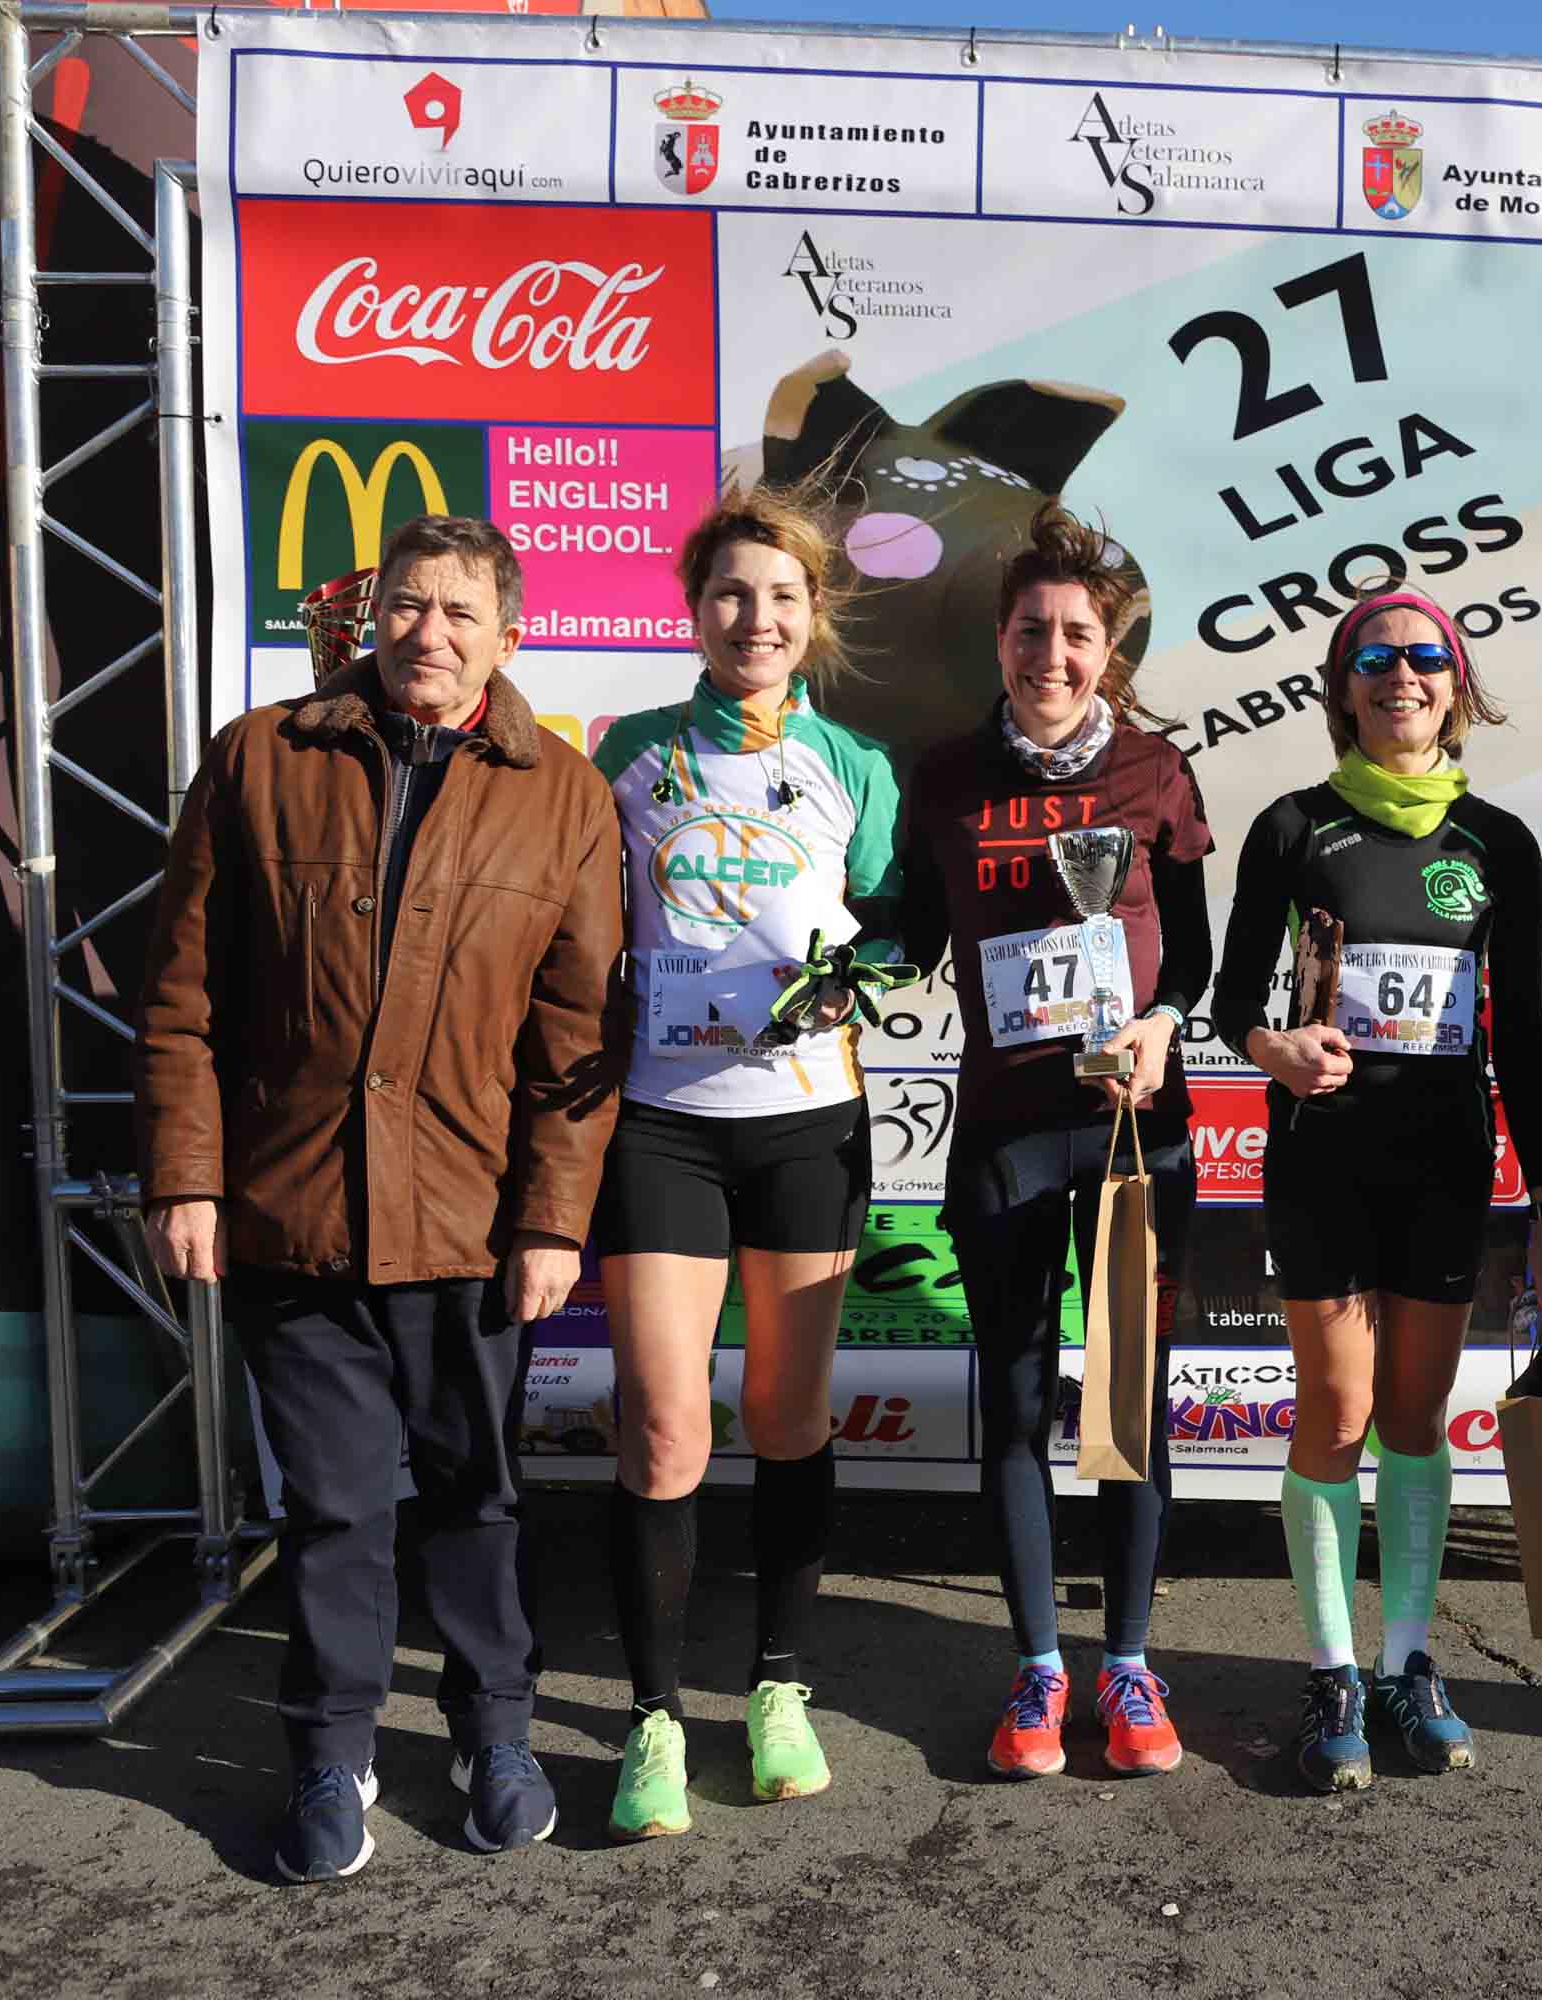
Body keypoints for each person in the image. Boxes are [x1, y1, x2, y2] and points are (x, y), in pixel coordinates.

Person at [135, 514, 621, 1882]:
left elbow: (576, 1046)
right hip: (292, 1210)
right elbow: (180, 1000)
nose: (430, 633)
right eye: (409, 605)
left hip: (471, 1221)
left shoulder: (564, 798)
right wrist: (186, 1175)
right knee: (337, 1508)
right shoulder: (260, 757)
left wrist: (550, 1220)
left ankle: (494, 1731)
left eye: (462, 613)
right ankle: (330, 1750)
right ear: (369, 614)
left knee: (477, 1496)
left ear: (508, 639)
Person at [1212, 584, 1542, 1793]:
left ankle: (1407, 1661)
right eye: (1375, 658)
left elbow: (1519, 1035)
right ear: (1343, 687)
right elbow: (1230, 1006)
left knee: (1417, 1421)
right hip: (1323, 1160)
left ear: (1456, 687)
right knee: (1336, 1412)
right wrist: (1275, 1051)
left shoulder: (1499, 845)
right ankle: (1329, 1672)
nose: (1401, 676)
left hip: (1444, 1163)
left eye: (1425, 658)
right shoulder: (1291, 827)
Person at [584, 488, 901, 1840]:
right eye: (728, 594)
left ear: (811, 616)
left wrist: (853, 975)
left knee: (788, 1418)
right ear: (693, 608)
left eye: (779, 596)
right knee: (664, 1425)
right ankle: (654, 1720)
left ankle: (777, 1687)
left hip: (804, 1122)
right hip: (660, 1118)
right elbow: (580, 916)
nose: (753, 617)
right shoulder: (628, 751)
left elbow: (893, 924)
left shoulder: (856, 764)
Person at [892, 502, 1210, 1780]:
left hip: (1138, 1133)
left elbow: (1191, 942)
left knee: (1131, 1405)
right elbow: (901, 931)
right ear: (1002, 638)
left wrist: (1167, 1021)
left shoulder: (1154, 771)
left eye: (1079, 633)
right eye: (1034, 629)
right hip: (1008, 1133)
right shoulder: (943, 776)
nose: (1054, 653)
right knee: (1016, 1401)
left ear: (1110, 648)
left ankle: (1127, 1662)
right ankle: (1037, 1666)